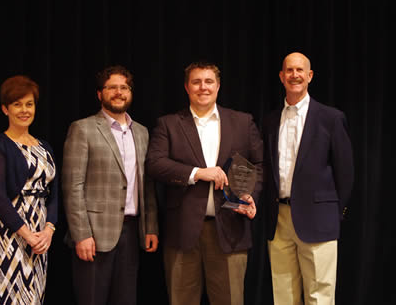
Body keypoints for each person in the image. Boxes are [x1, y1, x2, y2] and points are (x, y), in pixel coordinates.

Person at [146, 61, 263, 305]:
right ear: (187, 87)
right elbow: (155, 164)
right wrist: (198, 172)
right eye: (196, 82)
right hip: (183, 230)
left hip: (231, 229)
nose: (203, 87)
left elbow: (260, 165)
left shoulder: (242, 121)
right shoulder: (168, 124)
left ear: (218, 86)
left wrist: (251, 194)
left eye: (209, 81)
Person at [62, 65, 159, 305]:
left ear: (130, 93)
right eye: (112, 87)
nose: (118, 92)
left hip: (132, 232)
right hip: (94, 236)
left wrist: (151, 226)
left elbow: (146, 185)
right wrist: (81, 234)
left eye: (124, 87)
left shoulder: (143, 132)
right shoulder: (82, 129)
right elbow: (72, 186)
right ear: (99, 94)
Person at [262, 52, 354, 305]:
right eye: (289, 70)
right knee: (283, 294)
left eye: (300, 70)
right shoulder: (270, 121)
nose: (295, 75)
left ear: (310, 76)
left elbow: (345, 172)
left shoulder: (331, 118)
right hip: (279, 219)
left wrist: (333, 212)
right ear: (281, 77)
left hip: (318, 219)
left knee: (319, 295)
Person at [0, 75, 58, 304]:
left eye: (29, 104)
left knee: (34, 295)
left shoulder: (45, 147)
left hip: (40, 231)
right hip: (9, 230)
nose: (24, 110)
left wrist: (48, 230)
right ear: (5, 109)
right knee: (8, 296)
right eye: (17, 104)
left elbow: (54, 195)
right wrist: (26, 234)